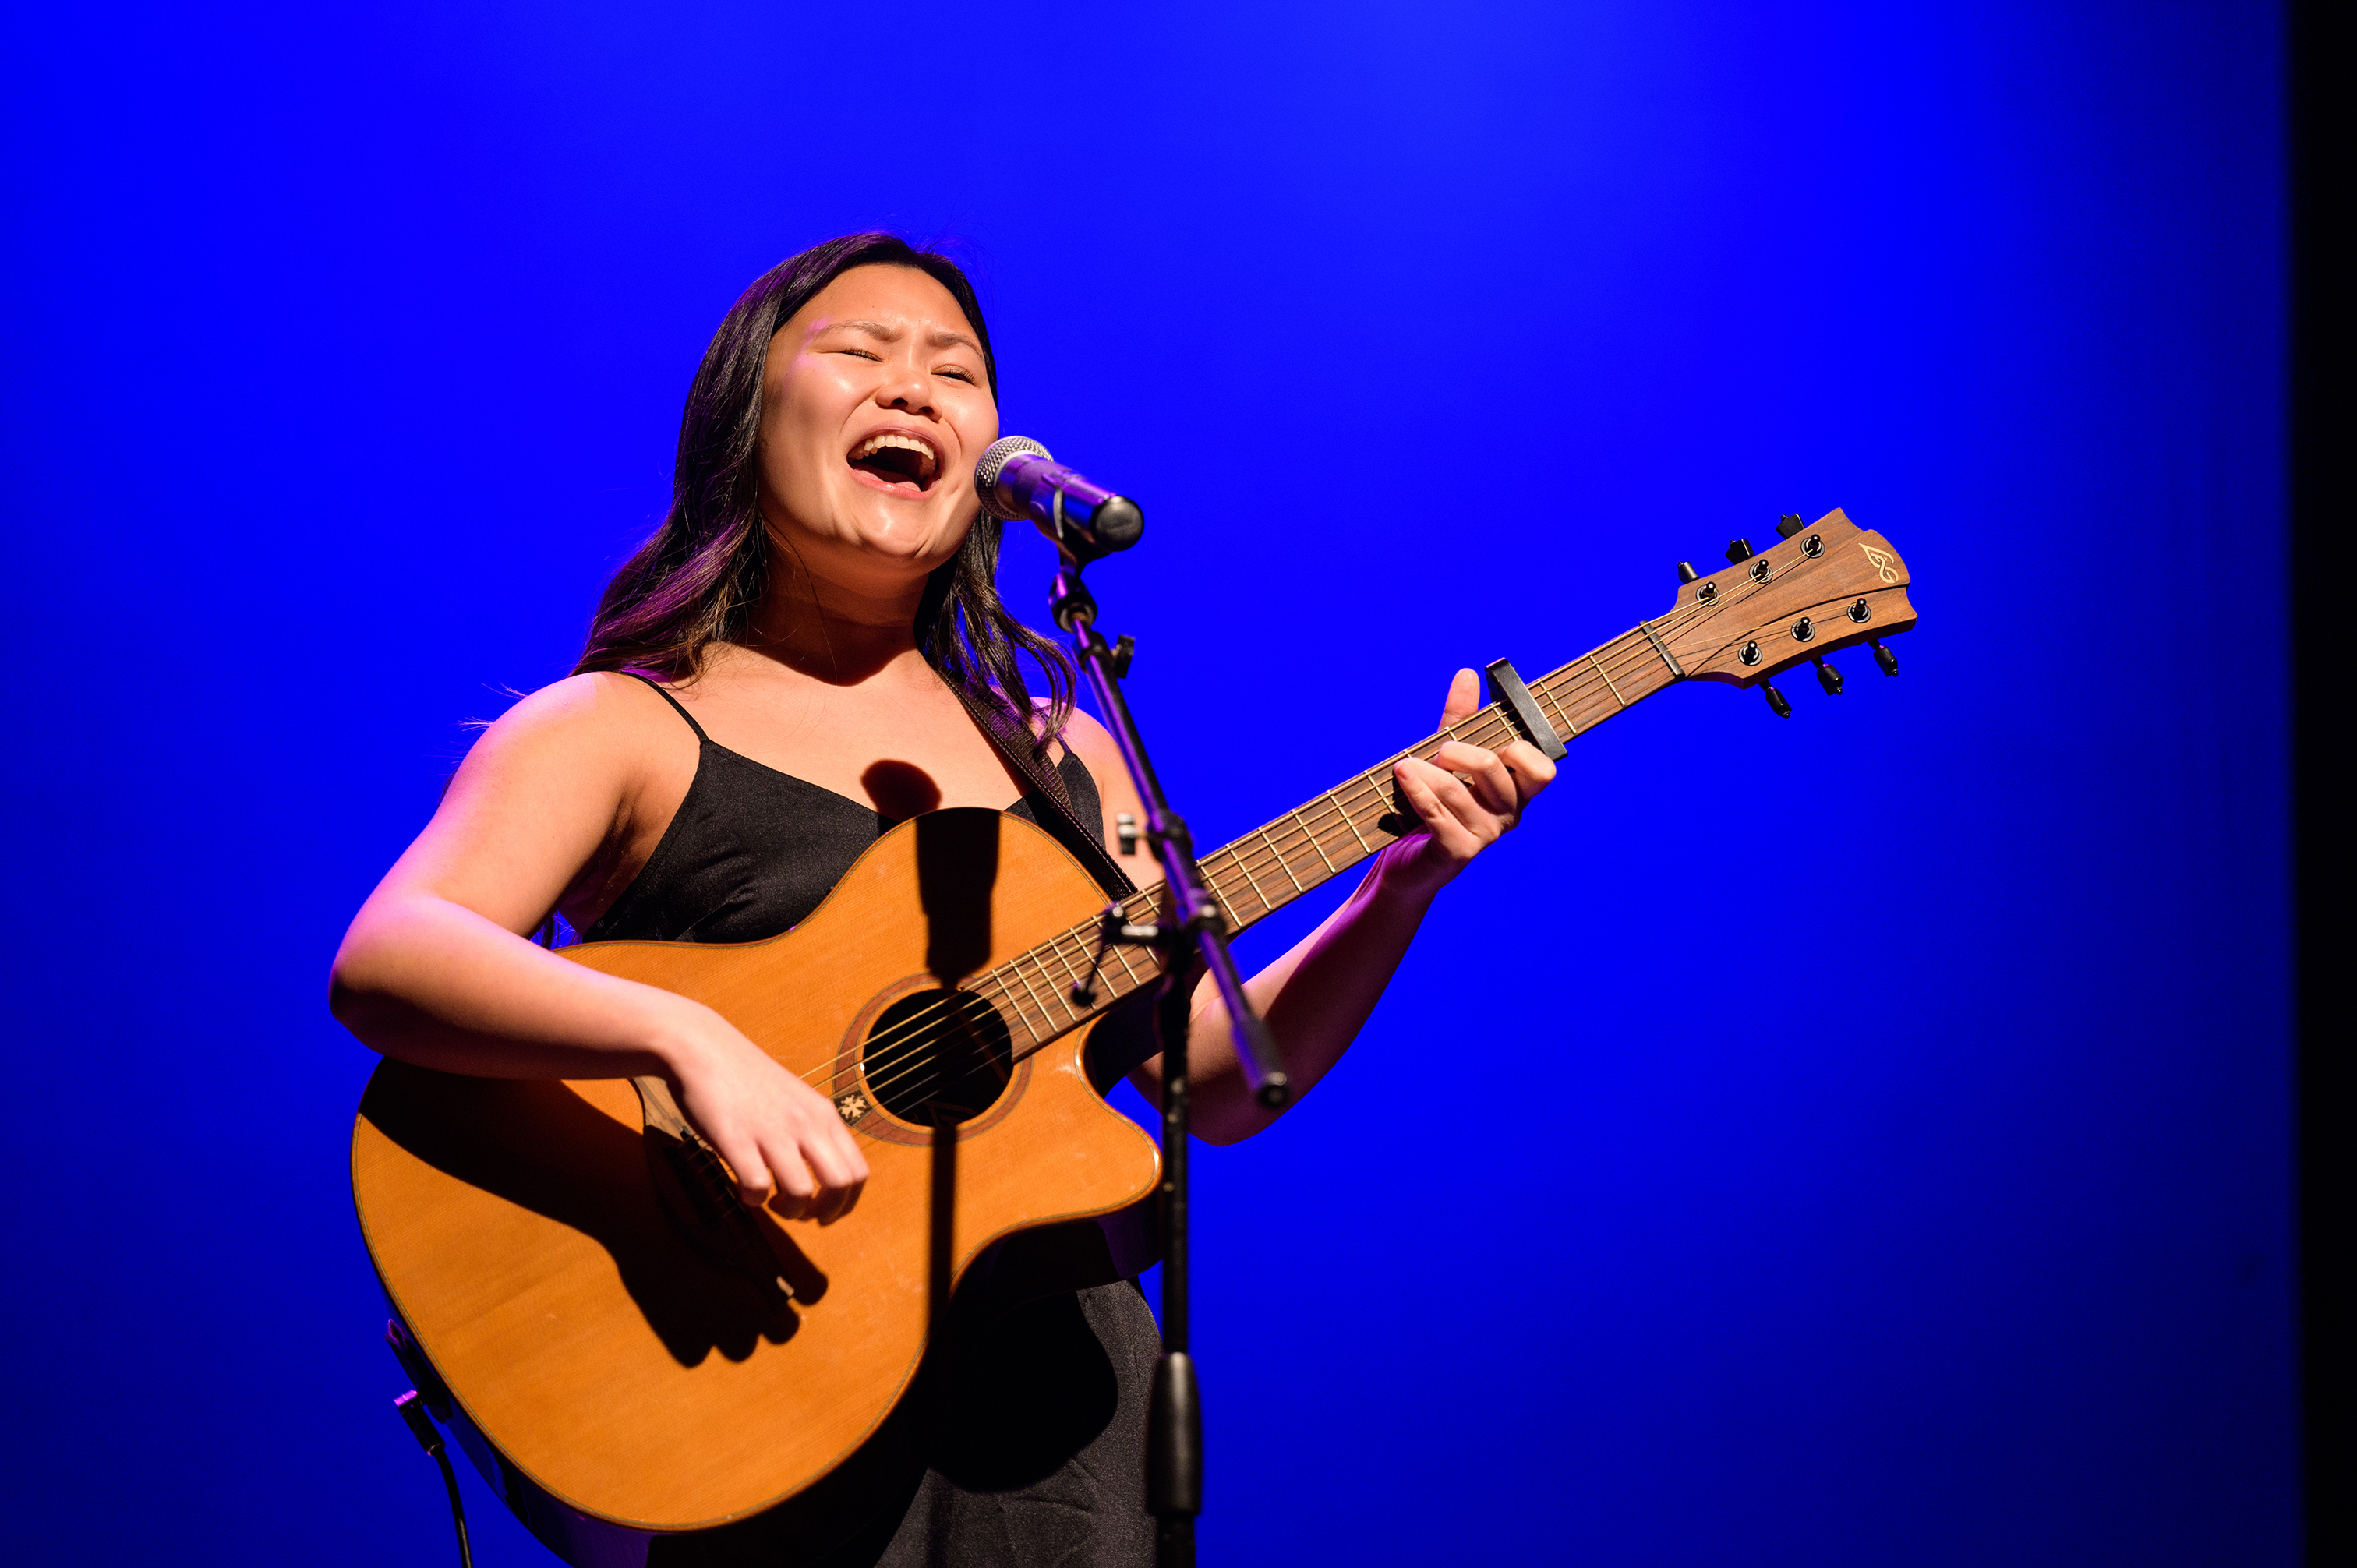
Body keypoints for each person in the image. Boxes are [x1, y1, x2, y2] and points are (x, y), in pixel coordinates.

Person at [330, 232, 1556, 1566]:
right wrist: (687, 1040)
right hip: (757, 1394)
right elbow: (393, 954)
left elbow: (1211, 1076)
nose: (914, 389)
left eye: (956, 373)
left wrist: (1397, 889)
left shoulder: (1069, 756)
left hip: (1063, 1443)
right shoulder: (617, 729)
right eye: (859, 353)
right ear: (748, 415)